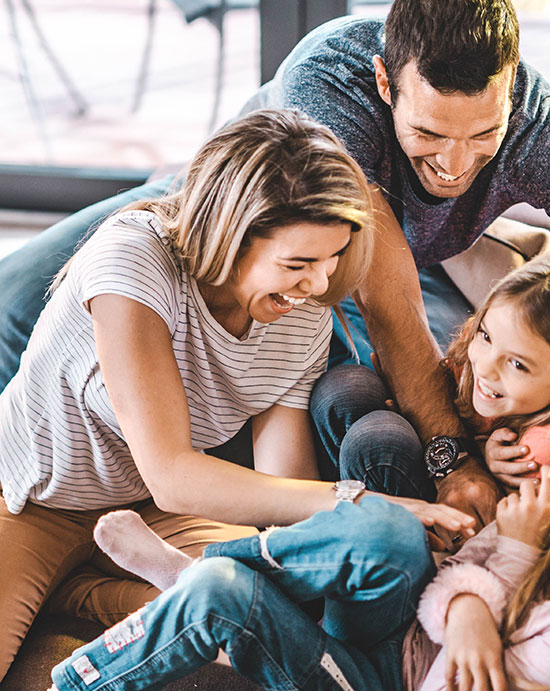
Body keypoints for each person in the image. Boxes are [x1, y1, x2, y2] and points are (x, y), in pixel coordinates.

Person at [0, 0, 550, 534]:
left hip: (333, 268)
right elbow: (383, 298)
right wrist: (450, 463)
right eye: (429, 134)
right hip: (241, 213)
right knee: (19, 295)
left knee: (329, 380)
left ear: (512, 94)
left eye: (482, 136)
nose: (454, 166)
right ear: (384, 83)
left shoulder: (542, 127)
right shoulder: (331, 81)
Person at [0, 109, 474, 681]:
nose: (320, 285)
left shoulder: (299, 312)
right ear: (228, 233)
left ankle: (88, 590)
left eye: (332, 260)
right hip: (30, 499)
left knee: (270, 604)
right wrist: (365, 502)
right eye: (298, 263)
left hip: (152, 512)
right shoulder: (133, 262)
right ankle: (79, 589)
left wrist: (347, 541)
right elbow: (172, 473)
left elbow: (284, 491)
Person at [49, 392, 550, 691]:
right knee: (387, 530)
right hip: (394, 635)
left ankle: (83, 675)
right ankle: (213, 561)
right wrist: (474, 590)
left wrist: (505, 565)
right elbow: (448, 586)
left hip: (384, 683)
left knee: (220, 600)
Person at [313, 245, 550, 507]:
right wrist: (412, 401)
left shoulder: (549, 449)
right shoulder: (489, 362)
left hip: (460, 532)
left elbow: (496, 524)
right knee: (344, 387)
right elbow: (455, 389)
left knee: (376, 441)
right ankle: (320, 505)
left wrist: (485, 463)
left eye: (517, 364)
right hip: (449, 463)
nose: (485, 366)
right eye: (486, 336)